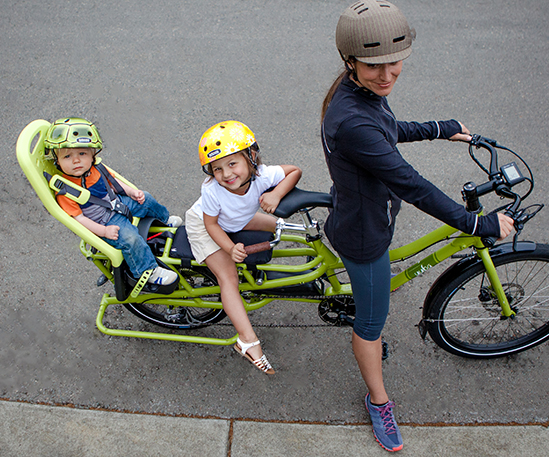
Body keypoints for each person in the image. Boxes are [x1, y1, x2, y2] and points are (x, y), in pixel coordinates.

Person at [321, 2, 514, 452]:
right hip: (365, 234)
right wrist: (476, 222)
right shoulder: (351, 119)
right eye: (374, 66)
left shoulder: (358, 94)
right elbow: (411, 183)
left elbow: (386, 130)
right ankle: (378, 400)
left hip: (367, 209)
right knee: (372, 322)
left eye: (394, 61)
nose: (387, 74)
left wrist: (438, 128)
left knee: (382, 290)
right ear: (351, 62)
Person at [185, 120, 302, 374]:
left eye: (232, 163)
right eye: (216, 169)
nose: (226, 174)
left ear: (252, 157)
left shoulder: (262, 174)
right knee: (228, 277)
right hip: (206, 225)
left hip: (237, 217)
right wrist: (229, 249)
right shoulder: (212, 191)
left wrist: (276, 194)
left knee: (285, 227)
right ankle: (247, 341)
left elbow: (294, 171)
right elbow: (212, 225)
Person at [45, 117, 183, 286]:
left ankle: (164, 221)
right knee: (130, 239)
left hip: (117, 203)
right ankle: (147, 271)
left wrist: (132, 192)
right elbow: (79, 220)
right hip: (105, 222)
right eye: (67, 156)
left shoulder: (96, 169)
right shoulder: (65, 190)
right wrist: (103, 231)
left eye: (82, 154)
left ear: (92, 154)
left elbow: (115, 183)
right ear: (56, 160)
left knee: (145, 198)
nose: (76, 160)